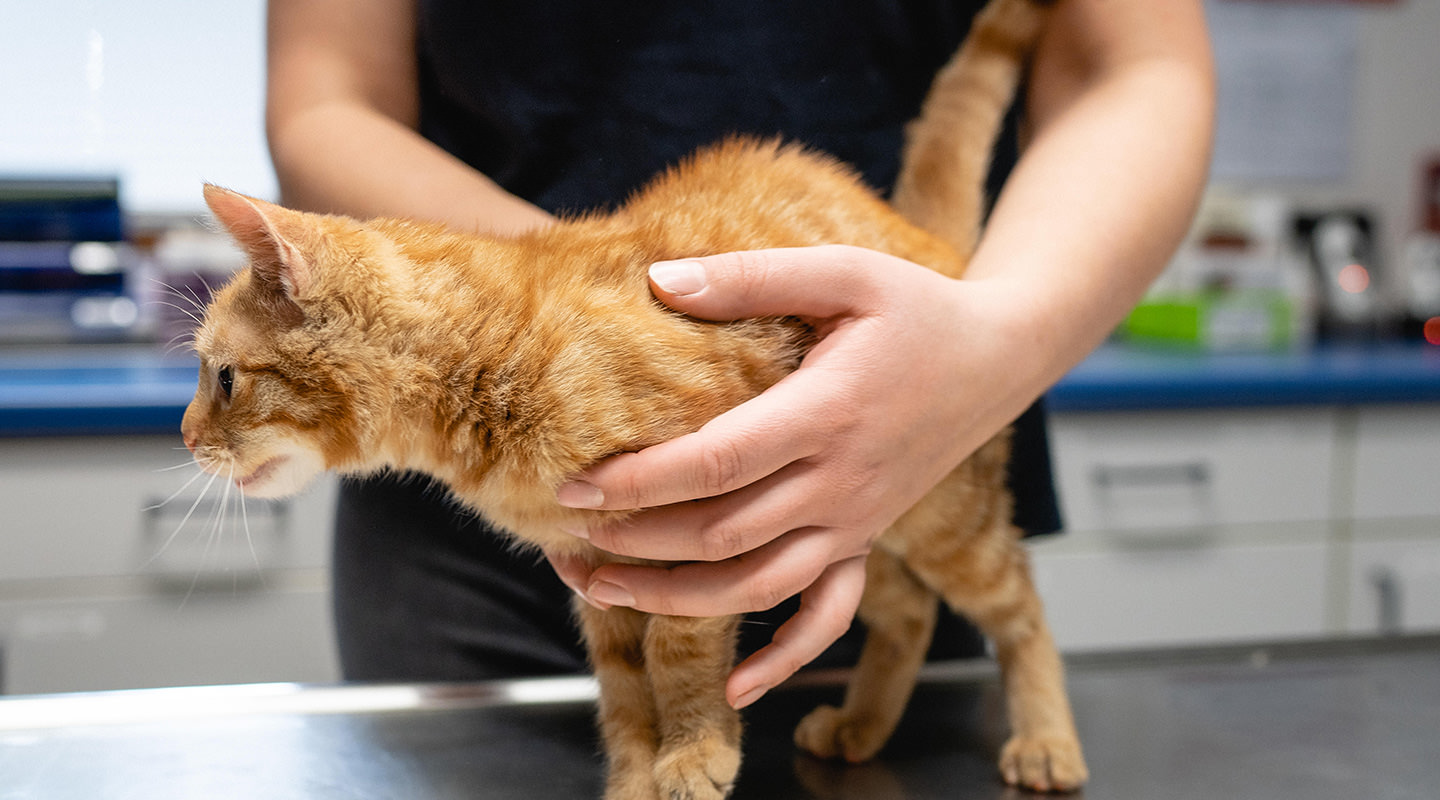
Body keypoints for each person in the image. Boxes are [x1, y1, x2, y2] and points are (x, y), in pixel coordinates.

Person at [264, 0, 1215, 709]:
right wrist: (572, 320)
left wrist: (996, 339)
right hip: (468, 547)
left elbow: (1133, 66)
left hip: (908, 447)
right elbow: (328, 97)